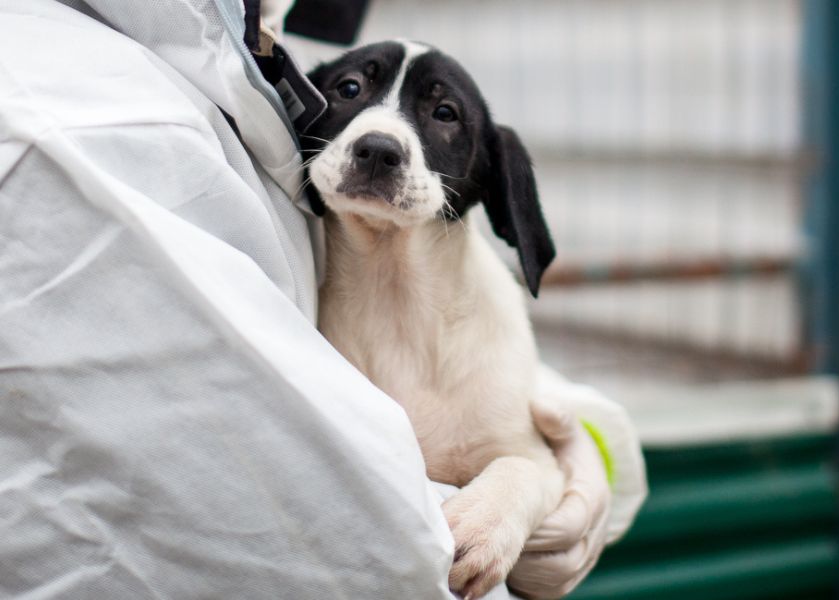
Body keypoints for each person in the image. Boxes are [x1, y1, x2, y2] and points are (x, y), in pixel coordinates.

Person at [0, 0, 646, 598]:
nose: (381, 135)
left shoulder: (247, 58)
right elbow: (349, 530)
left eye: (443, 113)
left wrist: (555, 463)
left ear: (491, 177)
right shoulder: (79, 112)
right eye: (351, 91)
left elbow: (491, 392)